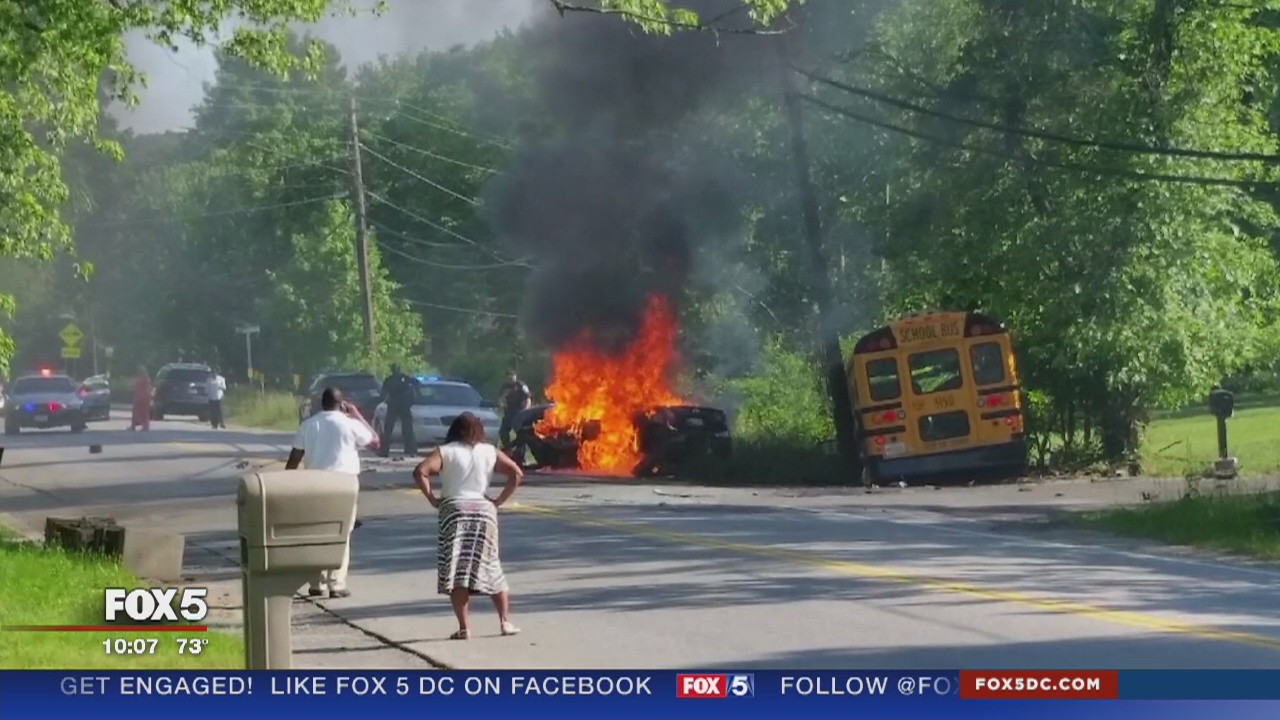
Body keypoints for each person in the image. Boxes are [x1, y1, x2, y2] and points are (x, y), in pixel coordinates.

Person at [414, 412, 523, 640]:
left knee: (456, 570)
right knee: (491, 564)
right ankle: (505, 622)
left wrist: (433, 499)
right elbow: (516, 473)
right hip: (484, 510)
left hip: (454, 510)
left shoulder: (446, 451)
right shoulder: (489, 451)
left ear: (454, 430)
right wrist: (499, 501)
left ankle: (465, 628)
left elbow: (420, 471)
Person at [285, 387, 379, 599]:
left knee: (316, 532)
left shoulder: (308, 425)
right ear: (342, 403)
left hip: (315, 484)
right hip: (345, 484)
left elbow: (294, 459)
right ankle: (336, 584)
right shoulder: (350, 424)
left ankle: (316, 583)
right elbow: (375, 442)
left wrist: (289, 483)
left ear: (321, 403)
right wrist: (358, 416)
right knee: (342, 533)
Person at [379, 364, 417, 457]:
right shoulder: (400, 379)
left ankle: (409, 450)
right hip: (400, 406)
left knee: (398, 429)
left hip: (398, 406)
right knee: (394, 429)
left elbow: (383, 394)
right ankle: (409, 450)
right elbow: (417, 384)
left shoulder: (393, 379)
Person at [497, 371, 531, 451]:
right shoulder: (505, 386)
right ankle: (508, 449)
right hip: (509, 411)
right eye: (509, 377)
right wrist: (502, 404)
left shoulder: (521, 385)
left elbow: (528, 399)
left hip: (519, 411)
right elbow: (500, 398)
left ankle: (521, 455)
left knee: (520, 433)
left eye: (512, 377)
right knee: (503, 432)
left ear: (515, 376)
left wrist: (525, 411)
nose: (510, 379)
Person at [128, 365, 151, 432]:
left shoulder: (140, 379)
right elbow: (148, 388)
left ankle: (136, 426)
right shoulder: (147, 379)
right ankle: (144, 425)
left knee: (137, 412)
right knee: (143, 412)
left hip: (139, 397)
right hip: (145, 397)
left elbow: (135, 386)